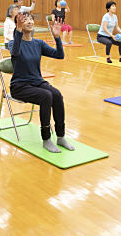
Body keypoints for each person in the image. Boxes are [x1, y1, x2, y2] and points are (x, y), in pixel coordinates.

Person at [8, 12, 75, 153]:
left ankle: (61, 136)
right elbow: (15, 53)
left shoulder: (38, 43)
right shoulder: (13, 43)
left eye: (31, 19)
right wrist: (19, 32)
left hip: (36, 82)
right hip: (20, 86)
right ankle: (46, 139)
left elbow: (59, 55)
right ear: (18, 24)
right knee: (46, 96)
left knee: (56, 95)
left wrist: (57, 38)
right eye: (25, 19)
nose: (29, 21)